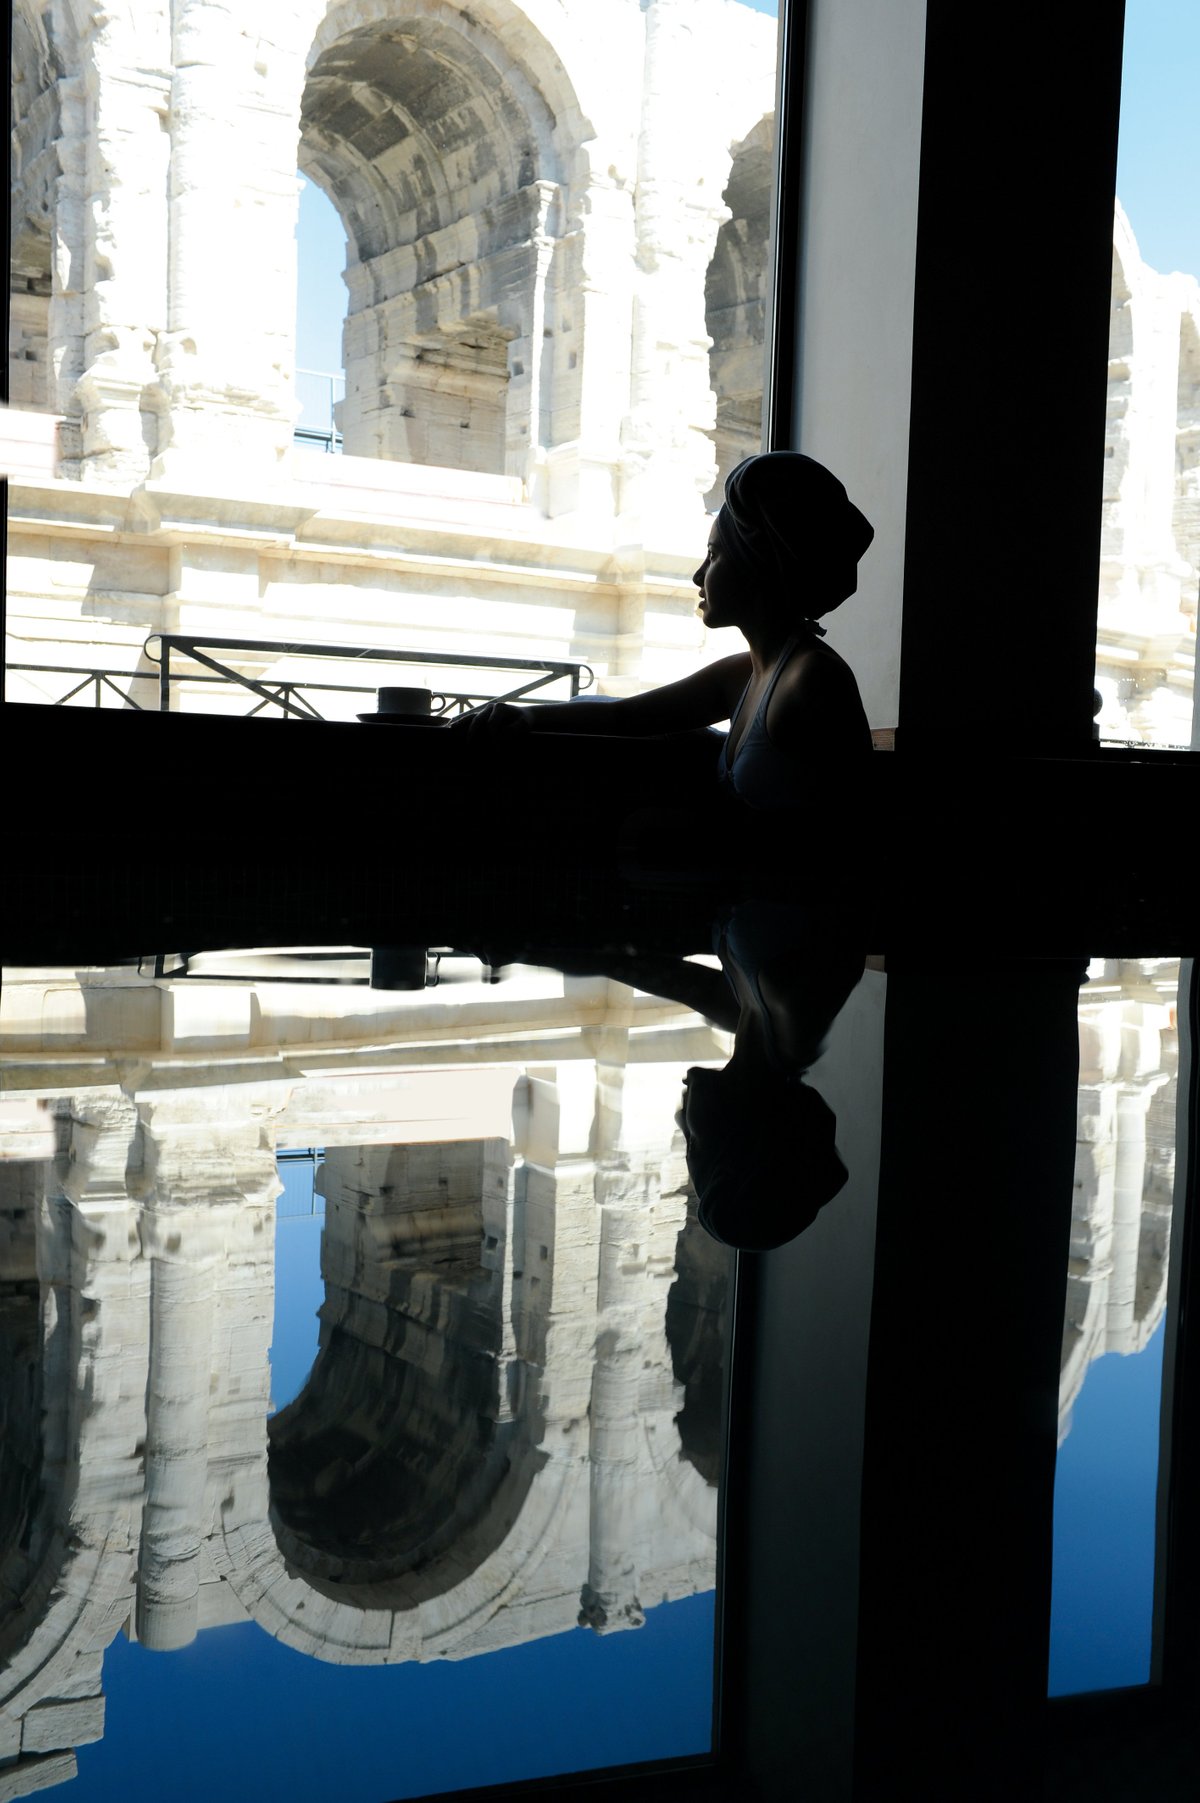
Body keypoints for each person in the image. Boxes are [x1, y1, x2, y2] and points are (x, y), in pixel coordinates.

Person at [451, 451, 875, 807]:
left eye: (715, 555)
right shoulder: (749, 672)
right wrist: (524, 715)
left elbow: (839, 834)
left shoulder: (810, 680)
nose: (698, 576)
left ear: (760, 565)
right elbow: (627, 715)